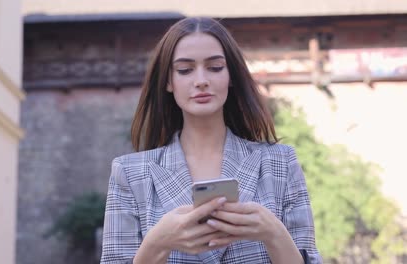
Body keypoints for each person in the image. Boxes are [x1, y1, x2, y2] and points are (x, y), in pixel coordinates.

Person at [101, 17, 321, 264]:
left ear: (231, 76)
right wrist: (156, 244)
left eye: (215, 67)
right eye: (185, 70)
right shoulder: (130, 174)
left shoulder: (280, 162)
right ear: (168, 81)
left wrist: (274, 233)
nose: (201, 80)